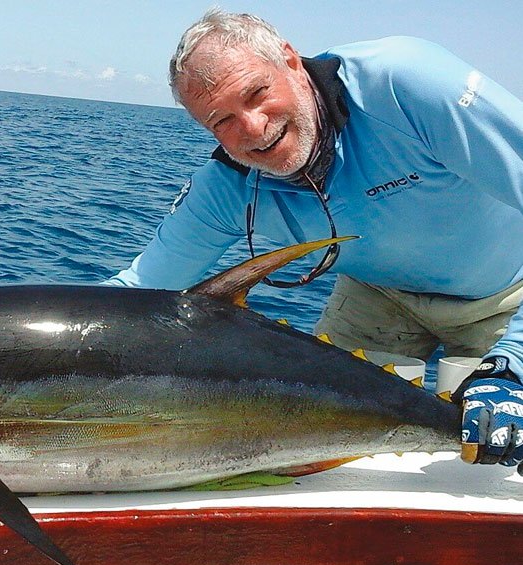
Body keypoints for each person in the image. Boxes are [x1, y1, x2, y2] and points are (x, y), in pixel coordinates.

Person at [105, 9, 523, 471]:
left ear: (290, 61)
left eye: (257, 93)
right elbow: (139, 294)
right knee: (314, 465)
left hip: (505, 295)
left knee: (497, 453)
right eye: (221, 120)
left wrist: (514, 363)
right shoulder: (226, 186)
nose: (254, 129)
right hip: (377, 298)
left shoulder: (404, 86)